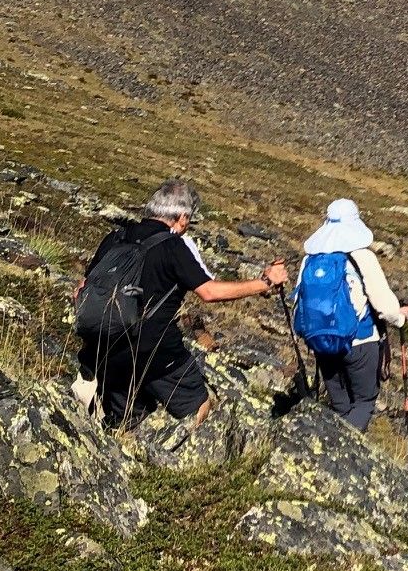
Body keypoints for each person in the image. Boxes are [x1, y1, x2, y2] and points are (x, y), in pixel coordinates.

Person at [74, 178, 286, 429]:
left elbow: (82, 288)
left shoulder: (116, 237)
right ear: (182, 217)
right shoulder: (173, 246)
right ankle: (181, 458)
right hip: (154, 349)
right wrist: (265, 282)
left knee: (124, 420)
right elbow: (209, 291)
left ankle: (123, 460)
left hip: (105, 346)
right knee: (197, 406)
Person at [295, 198, 408, 430]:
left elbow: (300, 302)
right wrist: (400, 319)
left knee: (340, 405)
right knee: (364, 402)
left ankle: (327, 449)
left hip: (321, 341)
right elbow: (385, 306)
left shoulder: (310, 259)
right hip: (361, 339)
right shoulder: (361, 256)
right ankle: (339, 456)